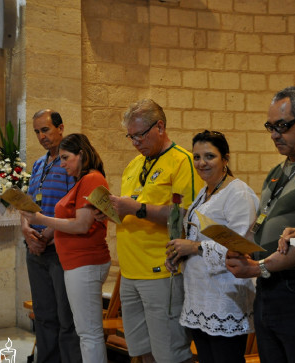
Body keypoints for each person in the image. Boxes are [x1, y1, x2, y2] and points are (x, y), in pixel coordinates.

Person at [226, 86, 295, 363]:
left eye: (282, 126)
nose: (275, 134)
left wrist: (257, 266)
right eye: (270, 126)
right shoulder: (277, 171)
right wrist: (241, 249)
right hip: (267, 286)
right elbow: (261, 221)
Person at [109, 99, 202, 363]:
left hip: (162, 272)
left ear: (159, 126)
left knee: (170, 353)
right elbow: (130, 209)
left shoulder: (182, 161)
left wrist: (137, 208)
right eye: (131, 136)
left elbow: (184, 216)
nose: (135, 142)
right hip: (129, 273)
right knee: (140, 351)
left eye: (139, 134)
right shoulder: (133, 165)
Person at [165, 130, 258, 363]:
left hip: (224, 296)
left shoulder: (238, 192)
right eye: (196, 157)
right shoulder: (203, 193)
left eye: (209, 156)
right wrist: (179, 254)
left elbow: (239, 245)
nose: (201, 163)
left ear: (225, 158)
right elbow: (197, 236)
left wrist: (193, 248)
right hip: (199, 295)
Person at [21, 133, 111, 363]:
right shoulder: (83, 180)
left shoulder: (91, 179)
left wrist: (42, 218)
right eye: (60, 159)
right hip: (76, 262)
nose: (62, 164)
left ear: (82, 154)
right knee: (85, 332)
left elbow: (82, 225)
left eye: (66, 158)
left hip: (85, 262)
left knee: (88, 334)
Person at [20, 109, 81, 363]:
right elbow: (29, 205)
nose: (41, 136)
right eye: (37, 132)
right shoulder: (37, 164)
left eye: (45, 130)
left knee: (66, 318)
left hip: (60, 250)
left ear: (60, 128)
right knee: (44, 315)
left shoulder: (70, 163)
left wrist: (47, 235)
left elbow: (73, 207)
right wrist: (25, 228)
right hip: (36, 250)